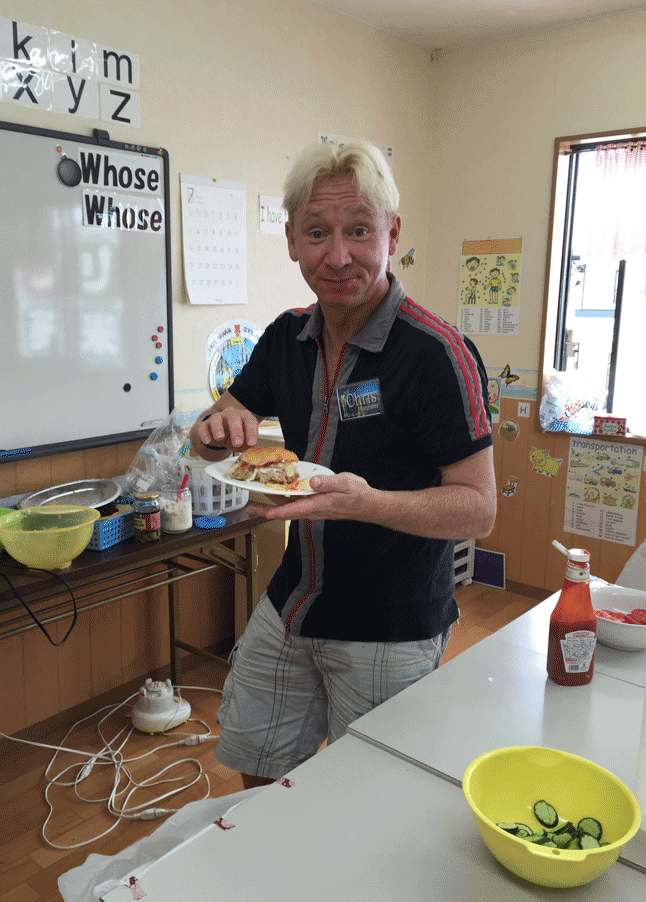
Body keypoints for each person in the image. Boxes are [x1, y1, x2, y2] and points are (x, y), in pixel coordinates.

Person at [189, 142, 496, 788]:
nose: (337, 256)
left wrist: (367, 503)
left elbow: (479, 508)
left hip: (391, 625)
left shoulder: (437, 353)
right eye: (316, 233)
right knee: (259, 776)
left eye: (358, 231)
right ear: (291, 241)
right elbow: (217, 428)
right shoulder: (286, 337)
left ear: (392, 234)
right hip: (292, 604)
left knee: (368, 801)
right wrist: (215, 431)